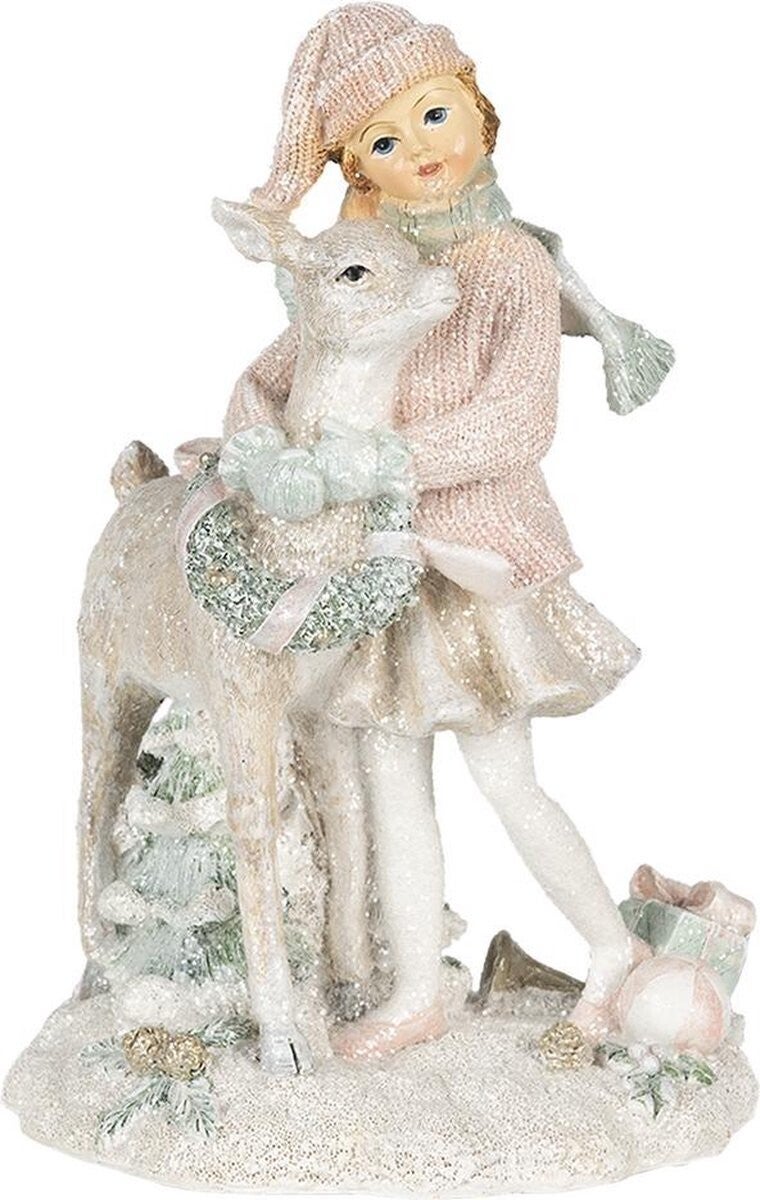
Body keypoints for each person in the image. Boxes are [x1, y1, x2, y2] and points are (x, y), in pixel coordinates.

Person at [222, 2, 671, 1059]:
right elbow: (279, 371)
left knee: (503, 774)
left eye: (433, 114)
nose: (419, 149)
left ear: (477, 107)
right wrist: (254, 446)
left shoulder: (508, 264)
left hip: (467, 567)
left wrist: (385, 460)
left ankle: (611, 950)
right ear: (356, 167)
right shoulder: (366, 256)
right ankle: (415, 989)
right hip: (371, 567)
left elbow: (517, 420)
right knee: (389, 774)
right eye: (383, 141)